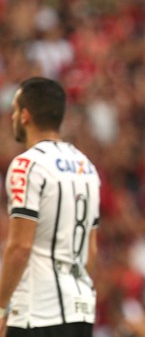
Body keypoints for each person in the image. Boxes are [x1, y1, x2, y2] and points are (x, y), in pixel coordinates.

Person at [0, 77, 100, 337]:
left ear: (24, 116)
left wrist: (0, 308)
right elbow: (91, 249)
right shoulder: (86, 167)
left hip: (38, 312)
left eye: (13, 110)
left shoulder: (27, 165)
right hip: (81, 308)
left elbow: (20, 247)